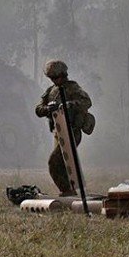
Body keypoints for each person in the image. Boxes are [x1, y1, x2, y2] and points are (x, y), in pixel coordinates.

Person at [33, 60, 93, 196]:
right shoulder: (51, 91)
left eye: (56, 77)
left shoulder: (73, 88)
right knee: (64, 163)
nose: (54, 81)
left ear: (63, 74)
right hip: (58, 132)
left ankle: (66, 190)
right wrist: (48, 109)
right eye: (51, 78)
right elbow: (38, 109)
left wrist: (69, 105)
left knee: (54, 161)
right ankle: (70, 191)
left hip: (72, 131)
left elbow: (87, 102)